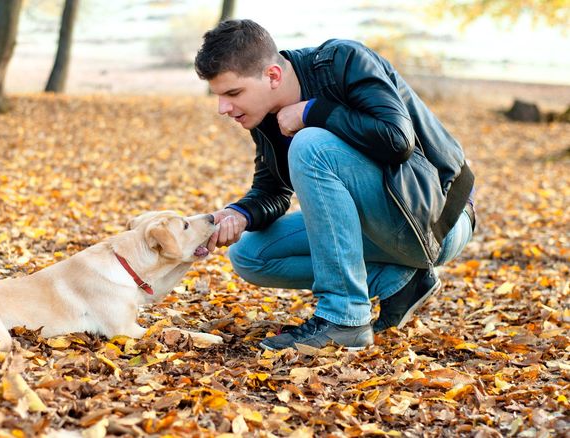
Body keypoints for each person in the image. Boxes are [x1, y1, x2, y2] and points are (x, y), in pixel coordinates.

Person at [195, 19, 475, 351]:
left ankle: (345, 319)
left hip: (438, 220)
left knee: (310, 144)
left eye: (233, 93)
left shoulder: (343, 61)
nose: (223, 108)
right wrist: (240, 214)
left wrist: (313, 112)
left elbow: (398, 139)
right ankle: (399, 281)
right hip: (385, 227)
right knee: (250, 254)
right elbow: (273, 189)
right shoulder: (263, 112)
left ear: (272, 76)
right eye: (219, 95)